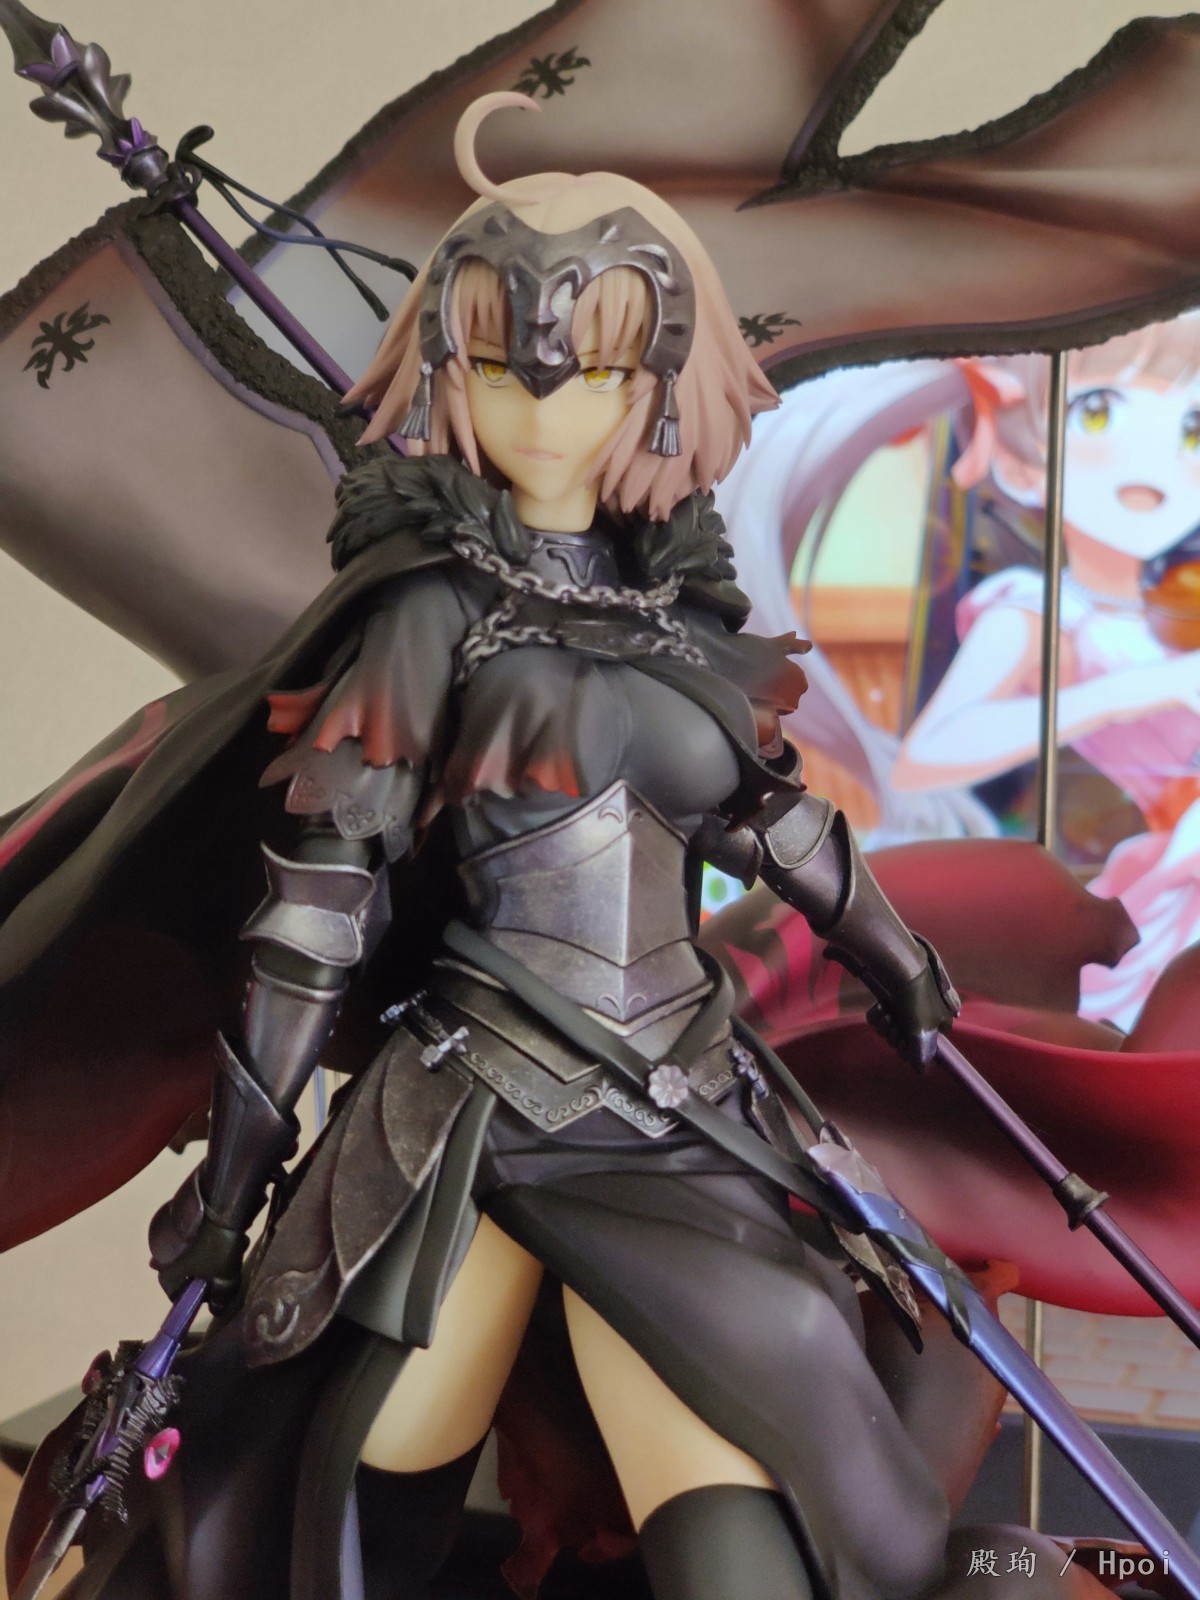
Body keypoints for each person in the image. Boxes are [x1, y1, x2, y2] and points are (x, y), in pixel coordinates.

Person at [4, 93, 1059, 1600]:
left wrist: (890, 950)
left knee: (763, 1458)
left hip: (681, 1103)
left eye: (600, 368)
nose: (548, 410)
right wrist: (239, 1174)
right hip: (473, 1116)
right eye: (502, 363)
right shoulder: (421, 611)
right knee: (340, 1492)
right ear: (450, 368)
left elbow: (765, 812)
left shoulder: (673, 611)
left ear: (663, 381)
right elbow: (317, 913)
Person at [891, 325, 1200, 1030]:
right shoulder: (1043, 612)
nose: (1155, 459)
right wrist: (1133, 692)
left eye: (1193, 427)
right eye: (1099, 413)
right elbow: (928, 754)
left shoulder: (1174, 605)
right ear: (1023, 463)